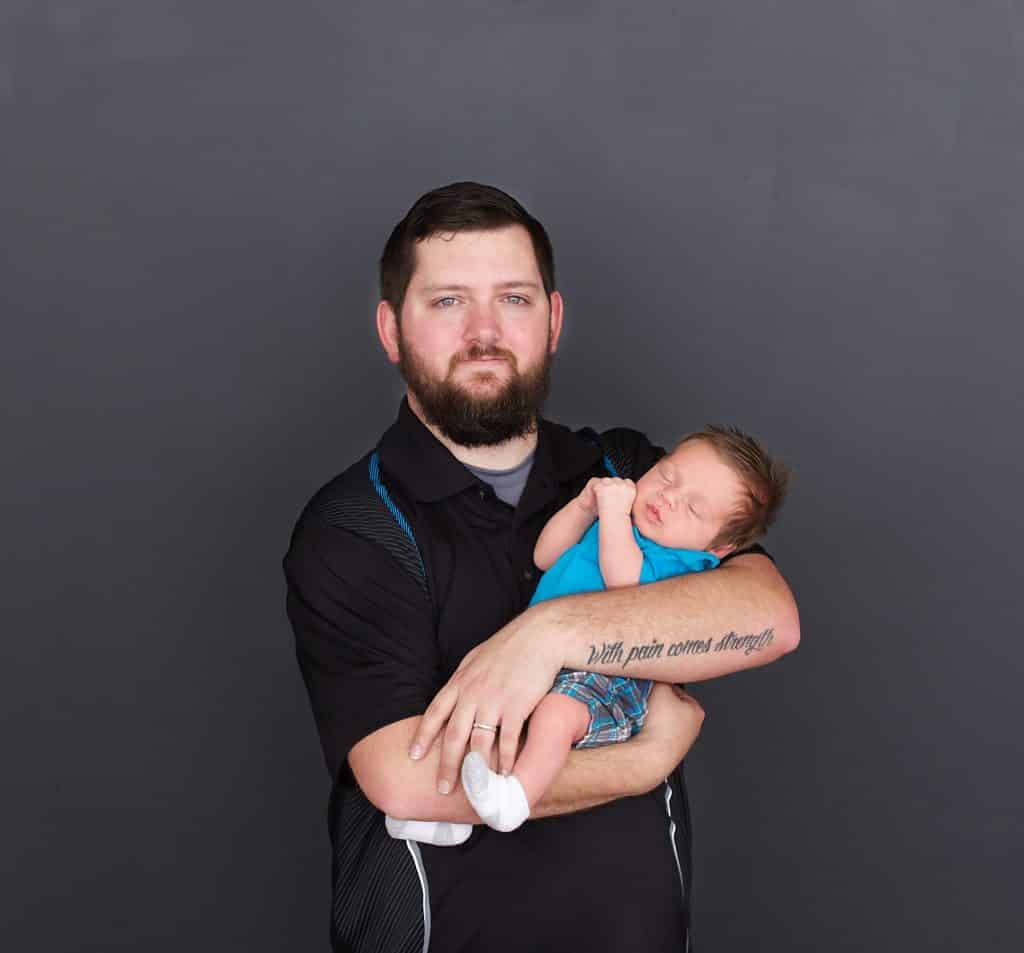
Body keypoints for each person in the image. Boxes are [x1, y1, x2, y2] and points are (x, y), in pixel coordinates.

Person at [283, 181, 800, 953]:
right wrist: (642, 762)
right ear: (391, 329)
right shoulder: (353, 527)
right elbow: (404, 777)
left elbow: (768, 615)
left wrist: (553, 633)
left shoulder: (630, 471)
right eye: (449, 301)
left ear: (553, 320)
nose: (485, 331)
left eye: (515, 299)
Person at [457, 426, 790, 834]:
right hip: (549, 663)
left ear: (717, 549)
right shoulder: (621, 527)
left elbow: (624, 584)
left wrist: (612, 514)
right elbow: (545, 556)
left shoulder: (684, 564)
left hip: (609, 680)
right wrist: (583, 509)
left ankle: (517, 798)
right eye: (668, 476)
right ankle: (444, 819)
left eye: (693, 509)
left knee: (554, 719)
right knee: (491, 714)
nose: (668, 497)